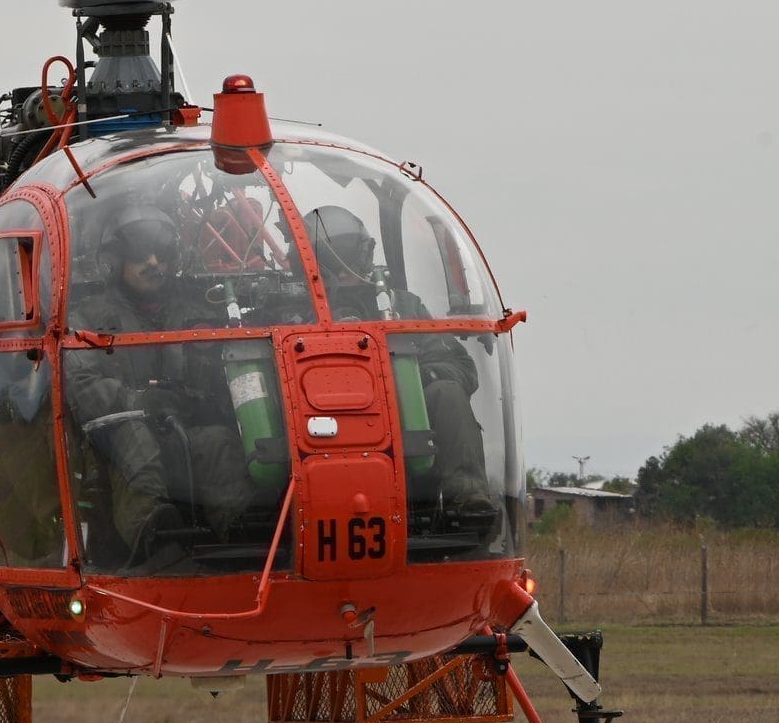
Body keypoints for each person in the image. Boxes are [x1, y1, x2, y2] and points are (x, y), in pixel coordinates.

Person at [64, 200, 256, 565]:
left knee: (218, 443)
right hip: (113, 437)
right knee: (136, 439)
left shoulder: (197, 313)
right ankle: (154, 536)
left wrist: (193, 401)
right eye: (140, 253)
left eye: (161, 252)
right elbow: (80, 384)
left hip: (183, 428)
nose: (153, 262)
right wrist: (137, 401)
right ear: (115, 261)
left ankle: (242, 536)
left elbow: (224, 380)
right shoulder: (88, 318)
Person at [302, 204, 497, 522]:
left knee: (447, 392)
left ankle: (468, 499)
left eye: (351, 255)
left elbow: (461, 367)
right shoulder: (288, 311)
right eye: (336, 257)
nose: (346, 269)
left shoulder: (402, 307)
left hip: (403, 432)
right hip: (312, 432)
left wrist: (418, 378)